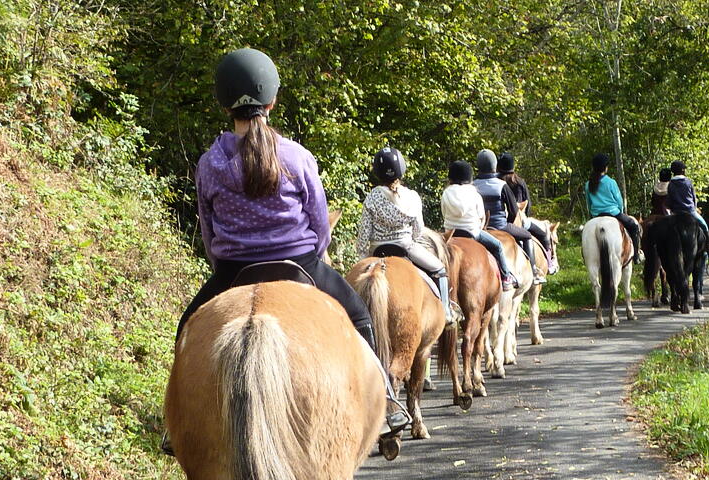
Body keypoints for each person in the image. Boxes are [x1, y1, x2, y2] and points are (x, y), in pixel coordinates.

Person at [167, 48, 408, 454]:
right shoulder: (296, 156)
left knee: (187, 328)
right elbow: (317, 222)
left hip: (232, 270)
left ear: (225, 104)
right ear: (272, 100)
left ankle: (175, 428)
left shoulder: (209, 163)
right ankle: (385, 401)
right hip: (300, 265)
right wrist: (315, 251)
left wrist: (224, 262)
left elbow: (208, 232)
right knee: (360, 316)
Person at [356, 146, 456, 326]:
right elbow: (418, 230)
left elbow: (364, 234)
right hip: (406, 247)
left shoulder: (371, 198)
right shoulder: (412, 197)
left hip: (377, 250)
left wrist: (362, 258)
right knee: (440, 270)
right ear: (401, 169)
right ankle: (447, 312)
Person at [441, 160, 518, 291]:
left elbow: (444, 213)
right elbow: (481, 216)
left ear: (451, 178)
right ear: (468, 177)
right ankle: (506, 277)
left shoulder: (446, 193)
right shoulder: (474, 193)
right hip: (472, 232)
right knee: (498, 246)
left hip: (450, 233)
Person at [475, 149, 545, 284]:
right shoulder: (502, 185)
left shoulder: (472, 185)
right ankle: (533, 271)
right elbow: (513, 211)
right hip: (500, 225)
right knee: (527, 236)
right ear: (494, 166)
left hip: (480, 228)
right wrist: (510, 223)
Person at [497, 151, 557, 274]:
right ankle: (545, 265)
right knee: (544, 236)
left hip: (498, 220)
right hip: (518, 220)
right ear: (512, 166)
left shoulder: (496, 181)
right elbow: (527, 204)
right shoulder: (519, 182)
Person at [584, 153, 644, 264]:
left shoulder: (588, 184)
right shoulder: (611, 182)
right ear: (605, 167)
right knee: (634, 226)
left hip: (596, 214)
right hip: (613, 213)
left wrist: (591, 214)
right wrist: (621, 212)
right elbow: (619, 201)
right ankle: (636, 255)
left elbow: (588, 202)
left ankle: (585, 256)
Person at [667, 160, 709, 256]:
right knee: (704, 225)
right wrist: (695, 208)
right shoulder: (688, 182)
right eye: (684, 169)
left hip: (676, 213)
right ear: (682, 171)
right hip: (690, 211)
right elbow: (694, 198)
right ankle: (708, 247)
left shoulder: (671, 184)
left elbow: (670, 200)